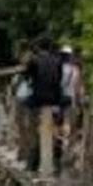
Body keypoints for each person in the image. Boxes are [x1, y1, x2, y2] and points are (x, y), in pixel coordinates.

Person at [23, 36, 64, 172]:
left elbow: (27, 76)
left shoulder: (34, 60)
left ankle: (32, 163)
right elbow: (58, 79)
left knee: (34, 131)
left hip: (38, 99)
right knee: (55, 130)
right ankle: (56, 160)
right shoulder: (58, 61)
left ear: (38, 48)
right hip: (55, 99)